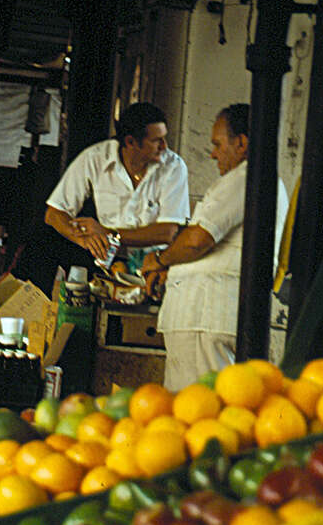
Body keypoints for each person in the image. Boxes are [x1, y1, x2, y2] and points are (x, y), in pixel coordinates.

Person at [141, 103, 289, 390]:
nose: (212, 153)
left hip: (204, 318)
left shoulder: (247, 177)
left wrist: (161, 260)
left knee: (198, 412)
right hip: (205, 318)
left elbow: (198, 241)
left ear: (242, 143)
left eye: (218, 144)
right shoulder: (252, 181)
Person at [45, 102, 190, 264]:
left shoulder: (173, 166)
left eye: (164, 138)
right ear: (130, 142)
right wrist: (84, 240)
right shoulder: (95, 158)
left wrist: (111, 234)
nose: (164, 146)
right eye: (157, 141)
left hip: (155, 263)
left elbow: (168, 232)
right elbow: (54, 214)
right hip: (108, 261)